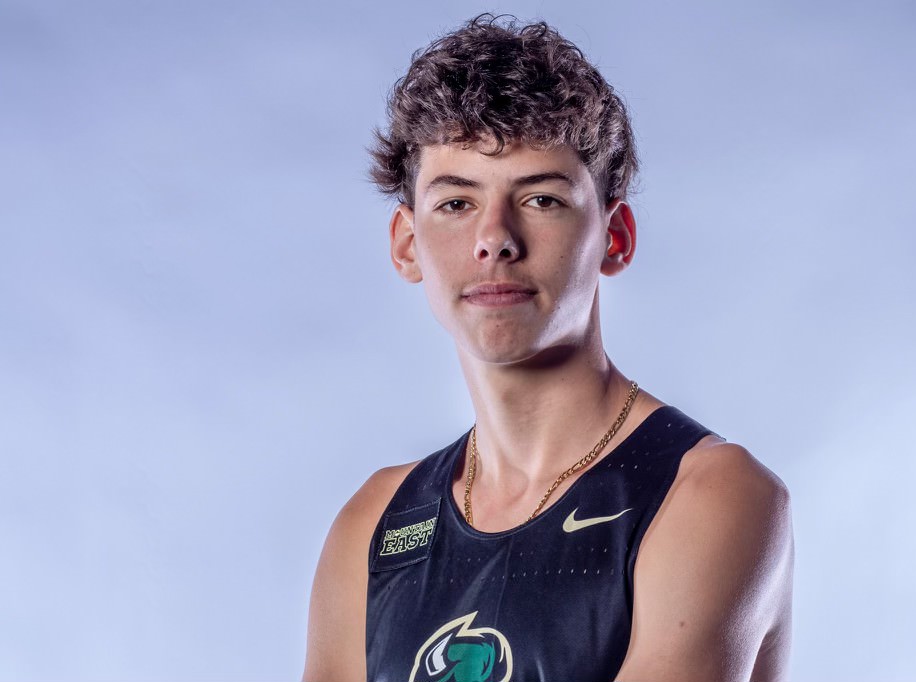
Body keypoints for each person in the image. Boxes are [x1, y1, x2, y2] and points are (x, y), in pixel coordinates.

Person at [303, 14, 793, 682]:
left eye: (540, 199)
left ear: (614, 238)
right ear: (406, 243)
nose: (495, 239)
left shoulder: (706, 494)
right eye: (456, 203)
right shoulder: (374, 525)